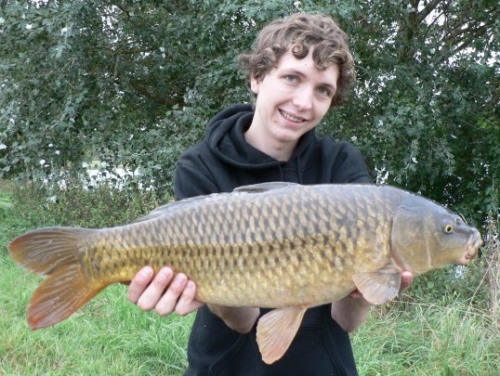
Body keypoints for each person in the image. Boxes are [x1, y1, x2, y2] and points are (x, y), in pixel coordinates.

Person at [127, 13, 413, 375]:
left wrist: (370, 289)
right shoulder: (199, 165)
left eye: (322, 90)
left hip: (322, 364)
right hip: (224, 364)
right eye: (292, 78)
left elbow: (347, 319)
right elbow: (243, 321)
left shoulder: (340, 165)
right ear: (257, 77)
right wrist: (208, 289)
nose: (304, 103)